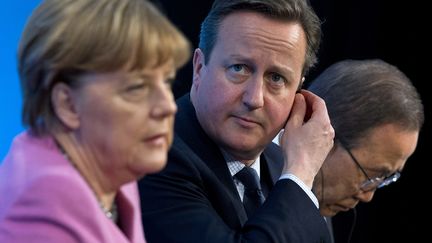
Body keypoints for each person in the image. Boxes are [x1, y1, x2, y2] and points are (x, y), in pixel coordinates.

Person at [138, 0, 335, 242]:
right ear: (199, 68)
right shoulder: (154, 155)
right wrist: (301, 173)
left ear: (298, 94)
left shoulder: (283, 164)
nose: (254, 99)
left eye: (276, 78)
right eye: (239, 68)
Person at [0, 0, 190, 242]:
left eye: (167, 81)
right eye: (137, 87)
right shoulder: (44, 200)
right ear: (68, 104)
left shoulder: (115, 170)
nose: (168, 106)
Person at [306, 59, 424, 241]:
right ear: (325, 135)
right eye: (370, 175)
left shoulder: (318, 207)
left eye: (385, 178)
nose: (367, 196)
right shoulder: (256, 199)